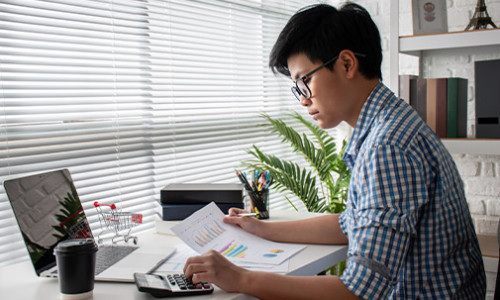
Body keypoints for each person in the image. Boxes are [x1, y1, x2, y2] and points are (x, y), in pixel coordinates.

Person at [184, 3, 486, 299]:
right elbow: (351, 223)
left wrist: (240, 278)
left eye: (305, 81)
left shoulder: (387, 146)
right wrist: (262, 229)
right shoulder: (390, 121)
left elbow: (357, 291)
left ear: (346, 64)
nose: (302, 100)